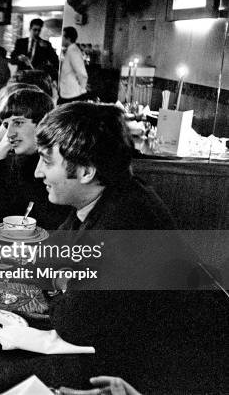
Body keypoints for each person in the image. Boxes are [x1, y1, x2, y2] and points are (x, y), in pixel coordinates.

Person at [34, 102, 226, 391]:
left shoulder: (126, 219)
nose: (38, 172)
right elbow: (47, 257)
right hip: (133, 360)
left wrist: (61, 281)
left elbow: (72, 323)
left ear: (86, 171)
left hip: (174, 379)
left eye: (48, 161)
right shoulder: (106, 196)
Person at [0, 89, 68, 228]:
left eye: (18, 123)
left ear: (42, 123)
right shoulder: (21, 162)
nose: (9, 134)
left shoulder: (57, 166)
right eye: (6, 125)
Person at [58, 27, 88, 104]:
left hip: (72, 94)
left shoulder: (73, 51)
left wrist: (82, 89)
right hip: (67, 92)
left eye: (63, 37)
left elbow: (82, 73)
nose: (61, 39)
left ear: (68, 38)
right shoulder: (70, 50)